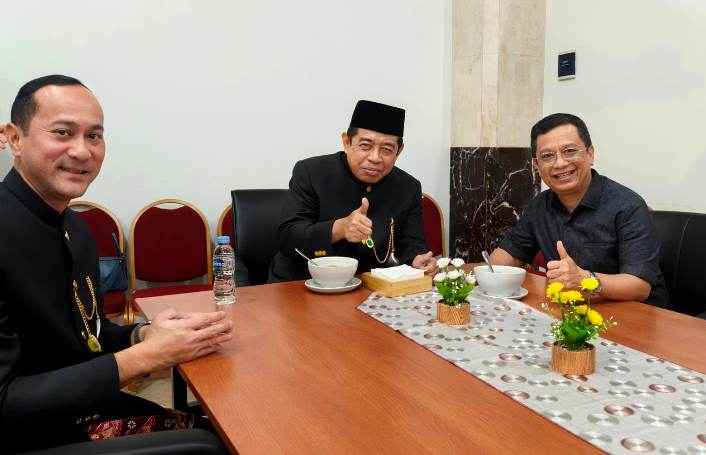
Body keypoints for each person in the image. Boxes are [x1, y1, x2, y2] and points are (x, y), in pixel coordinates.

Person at [0, 75, 234, 452]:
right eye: (62, 133)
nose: (82, 151)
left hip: (82, 408)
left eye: (94, 136)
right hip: (35, 437)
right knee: (214, 444)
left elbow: (87, 334)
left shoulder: (75, 228)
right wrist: (143, 358)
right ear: (13, 138)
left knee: (229, 424)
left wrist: (143, 336)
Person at [489, 113, 667, 308]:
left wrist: (584, 280)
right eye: (547, 156)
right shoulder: (540, 206)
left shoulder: (628, 206)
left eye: (569, 151)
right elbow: (508, 254)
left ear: (590, 154)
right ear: (537, 165)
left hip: (632, 313)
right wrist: (489, 272)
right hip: (570, 310)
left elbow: (640, 287)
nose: (560, 163)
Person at [268, 100, 436, 283]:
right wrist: (339, 228)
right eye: (365, 146)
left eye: (387, 149)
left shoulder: (408, 187)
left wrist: (416, 260)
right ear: (347, 142)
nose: (375, 158)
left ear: (399, 151)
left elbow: (412, 243)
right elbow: (288, 237)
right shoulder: (311, 172)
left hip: (368, 286)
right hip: (300, 283)